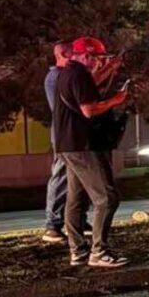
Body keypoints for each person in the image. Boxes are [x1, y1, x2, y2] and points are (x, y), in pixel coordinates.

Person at [54, 36, 130, 268]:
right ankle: (99, 251)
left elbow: (89, 87)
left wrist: (109, 69)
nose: (99, 63)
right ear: (86, 56)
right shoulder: (78, 74)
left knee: (76, 200)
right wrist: (116, 100)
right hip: (83, 146)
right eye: (98, 58)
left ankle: (77, 252)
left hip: (69, 145)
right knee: (107, 198)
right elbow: (89, 109)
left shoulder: (70, 73)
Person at [42, 42, 72, 243]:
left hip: (69, 134)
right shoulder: (56, 77)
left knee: (75, 178)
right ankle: (52, 224)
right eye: (73, 54)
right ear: (62, 54)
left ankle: (75, 220)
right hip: (63, 135)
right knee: (61, 176)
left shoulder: (65, 75)